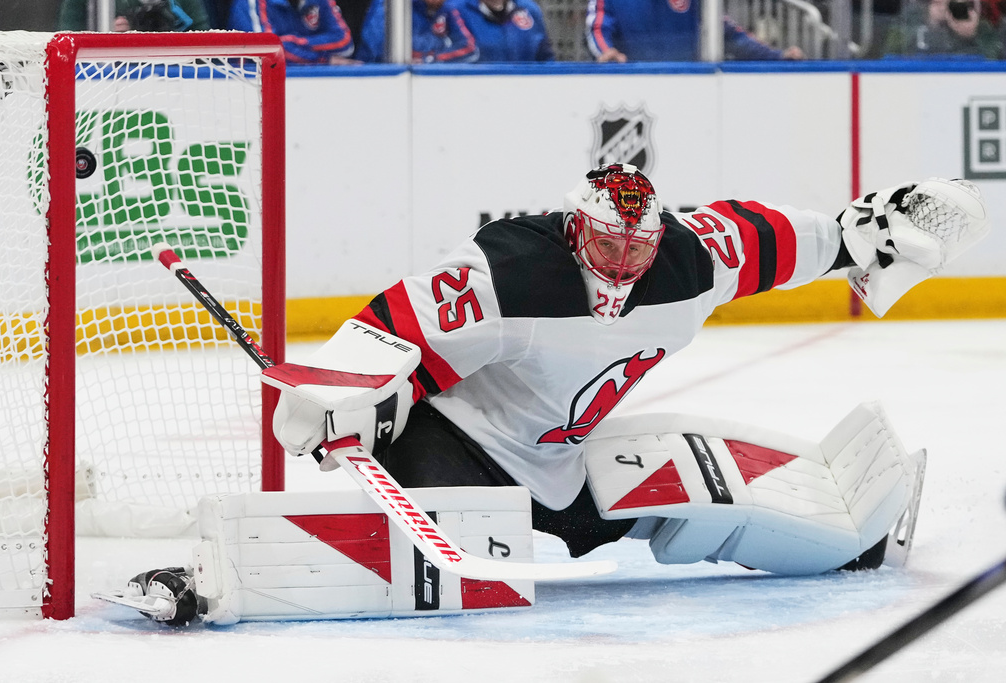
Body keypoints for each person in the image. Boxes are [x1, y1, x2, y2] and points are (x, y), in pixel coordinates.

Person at [111, 166, 987, 626]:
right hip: (450, 436)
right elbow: (396, 321)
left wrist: (868, 232)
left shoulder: (689, 254)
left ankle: (845, 544)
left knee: (669, 492)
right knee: (435, 550)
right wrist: (347, 393)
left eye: (635, 248)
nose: (622, 265)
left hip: (554, 456)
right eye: (605, 244)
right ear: (576, 227)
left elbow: (783, 238)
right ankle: (222, 582)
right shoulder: (509, 265)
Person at [586, 0, 804, 62]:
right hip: (633, 91)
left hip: (689, 90)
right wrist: (607, 52)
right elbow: (598, 28)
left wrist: (778, 57)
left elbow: (730, 35)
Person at [227, 0, 358, 65]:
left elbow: (344, 42)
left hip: (311, 87)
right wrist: (325, 59)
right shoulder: (250, 2)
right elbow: (267, 51)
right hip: (254, 89)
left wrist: (291, 43)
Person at [356, 0, 479, 63]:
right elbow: (378, 49)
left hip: (427, 80)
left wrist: (430, 59)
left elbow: (469, 48)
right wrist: (439, 48)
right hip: (377, 80)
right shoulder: (392, 4)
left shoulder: (446, 8)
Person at [882, 0, 1003, 58]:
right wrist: (930, 23)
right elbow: (890, 53)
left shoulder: (976, 22)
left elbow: (995, 61)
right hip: (917, 80)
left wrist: (970, 35)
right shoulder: (910, 17)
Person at [451, 0, 554, 61]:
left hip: (524, 90)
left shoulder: (529, 9)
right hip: (474, 91)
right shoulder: (455, 11)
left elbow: (545, 58)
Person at [57, 0, 211, 31]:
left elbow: (209, 49)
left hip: (176, 76)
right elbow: (66, 35)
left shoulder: (180, 4)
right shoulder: (98, 5)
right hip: (106, 79)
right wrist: (103, 35)